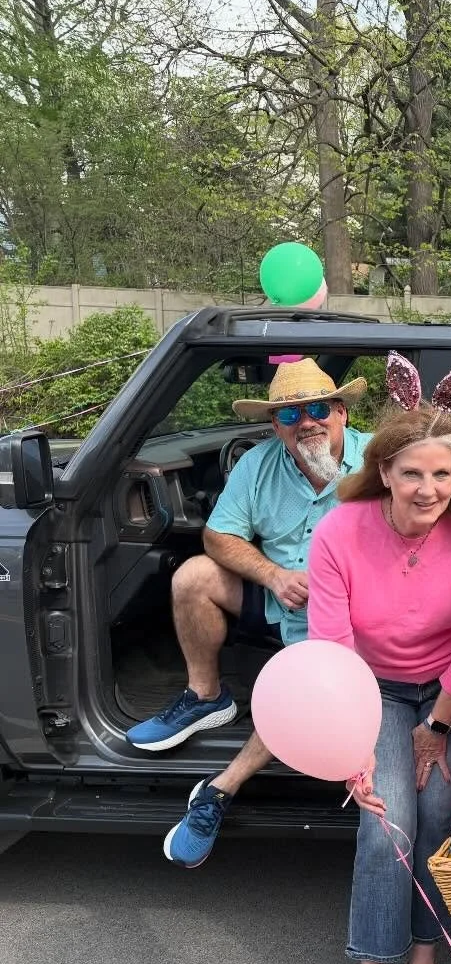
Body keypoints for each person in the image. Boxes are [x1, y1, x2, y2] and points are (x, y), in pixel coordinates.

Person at [127, 357, 371, 868]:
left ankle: (218, 791)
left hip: (351, 619)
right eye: (288, 414)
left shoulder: (378, 460)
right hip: (279, 595)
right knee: (192, 575)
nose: (306, 421)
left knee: (303, 688)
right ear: (274, 426)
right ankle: (206, 696)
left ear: (342, 412)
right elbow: (219, 534)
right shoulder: (259, 464)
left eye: (317, 408)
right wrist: (273, 577)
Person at [312, 355, 451, 964]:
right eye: (412, 473)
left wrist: (439, 727)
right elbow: (331, 648)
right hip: (372, 691)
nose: (428, 489)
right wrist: (353, 750)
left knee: (441, 817)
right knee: (386, 818)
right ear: (383, 470)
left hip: (448, 694)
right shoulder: (338, 533)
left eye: (442, 474)